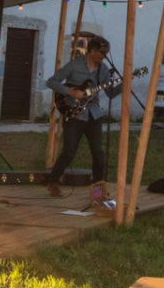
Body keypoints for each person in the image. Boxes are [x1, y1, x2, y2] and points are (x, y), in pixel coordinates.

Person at [44, 34, 123, 203]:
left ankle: (98, 191)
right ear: (92, 51)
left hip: (94, 114)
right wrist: (71, 92)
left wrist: (125, 84)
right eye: (103, 53)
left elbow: (110, 93)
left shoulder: (103, 70)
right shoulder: (75, 65)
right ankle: (53, 180)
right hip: (74, 114)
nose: (105, 57)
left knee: (98, 154)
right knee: (69, 152)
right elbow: (52, 82)